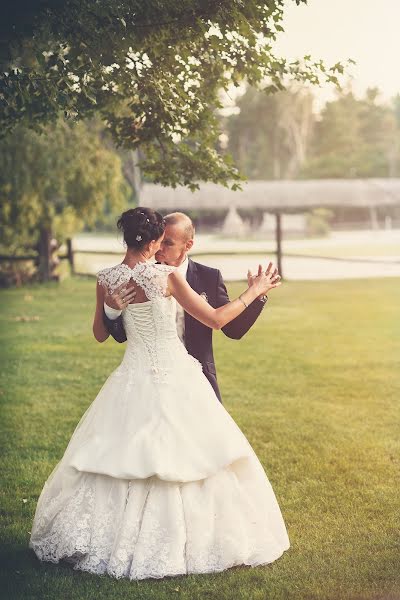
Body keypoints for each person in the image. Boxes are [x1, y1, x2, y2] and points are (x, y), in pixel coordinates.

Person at [29, 207, 290, 581]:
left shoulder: (107, 277)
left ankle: (110, 536)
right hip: (174, 374)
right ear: (152, 242)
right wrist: (254, 290)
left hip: (131, 377)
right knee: (189, 456)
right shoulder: (165, 276)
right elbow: (216, 320)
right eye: (160, 241)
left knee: (121, 453)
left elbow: (101, 335)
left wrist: (109, 306)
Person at [102, 211, 279, 402]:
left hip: (198, 379)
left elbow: (232, 329)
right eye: (159, 240)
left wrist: (257, 296)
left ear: (188, 245)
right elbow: (120, 335)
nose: (160, 247)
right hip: (149, 380)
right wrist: (111, 311)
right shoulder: (138, 278)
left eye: (168, 242)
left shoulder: (209, 277)